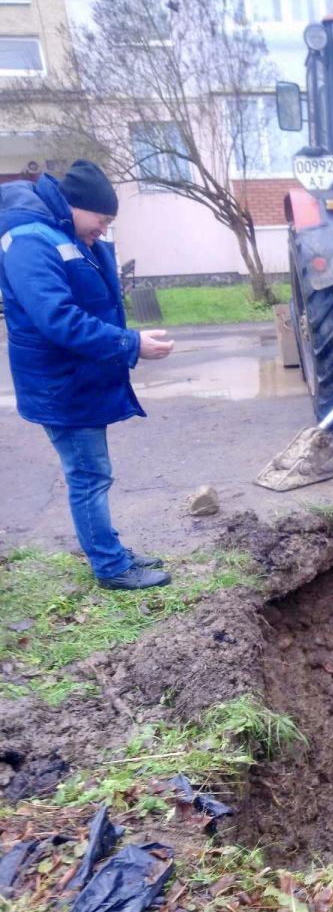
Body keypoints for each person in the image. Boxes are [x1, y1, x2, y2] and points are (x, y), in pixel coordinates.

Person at [0, 160, 175, 590]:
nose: (102, 230)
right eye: (102, 221)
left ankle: (109, 551)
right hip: (60, 385)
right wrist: (130, 344)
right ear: (76, 206)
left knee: (92, 471)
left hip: (75, 379)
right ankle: (111, 568)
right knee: (89, 474)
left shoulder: (60, 232)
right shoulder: (29, 240)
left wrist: (126, 339)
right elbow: (57, 318)